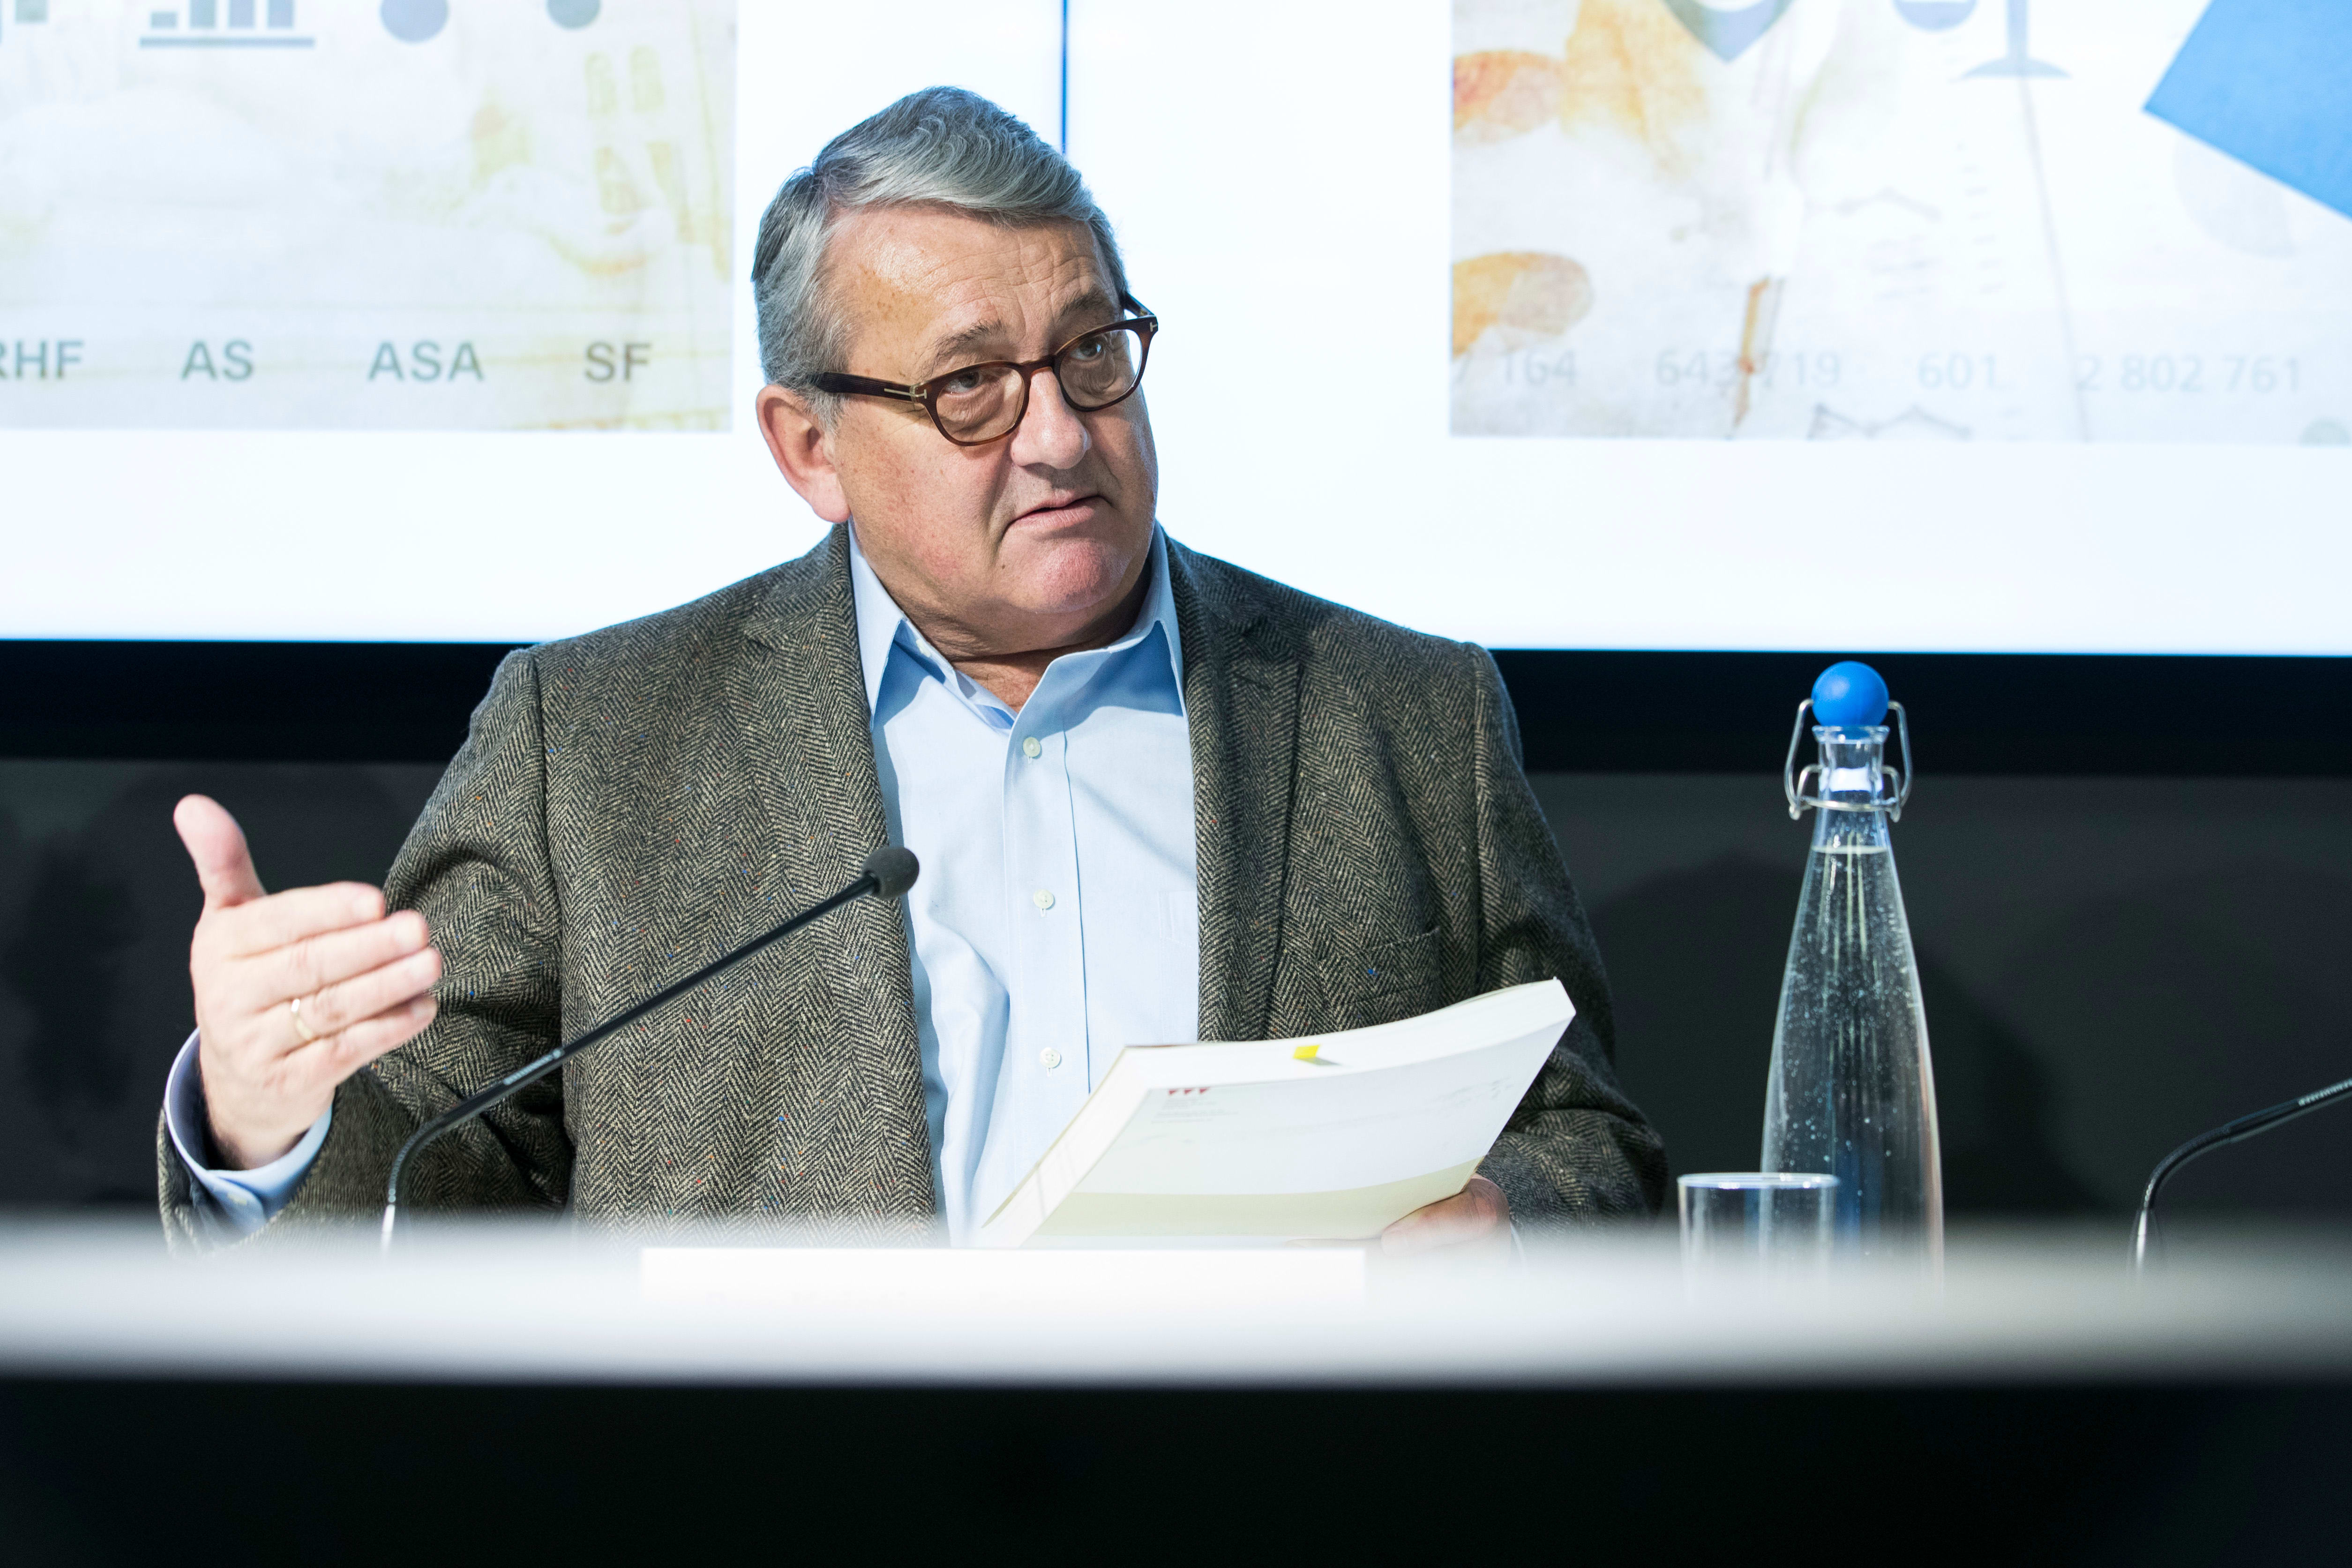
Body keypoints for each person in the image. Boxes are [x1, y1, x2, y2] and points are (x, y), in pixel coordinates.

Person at [157, 88, 1664, 1247]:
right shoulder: (594, 743)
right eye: (970, 388)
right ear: (808, 447)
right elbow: (429, 1177)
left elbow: (1589, 1140)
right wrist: (264, 1116)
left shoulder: (1404, 717)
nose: (1060, 434)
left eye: (1091, 353)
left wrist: (1510, 1222)